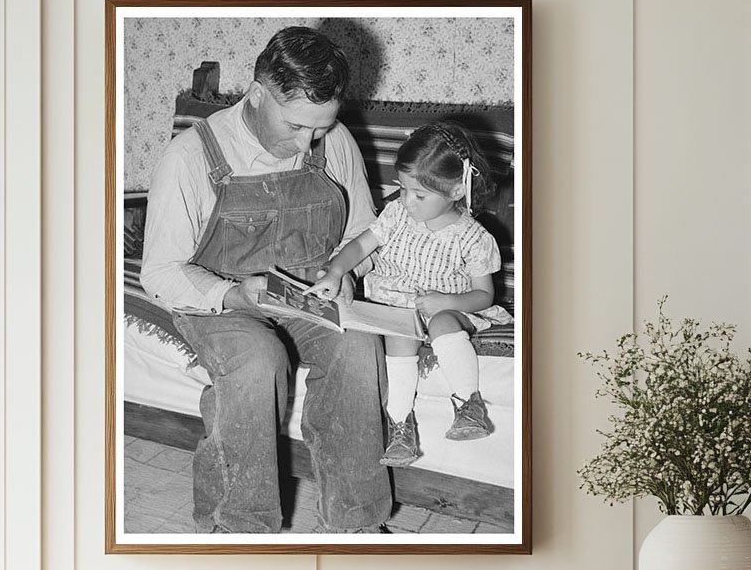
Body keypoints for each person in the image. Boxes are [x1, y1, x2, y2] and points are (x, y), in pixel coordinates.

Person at [140, 27, 392, 533]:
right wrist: (232, 292)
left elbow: (365, 230)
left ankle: (357, 524)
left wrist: (346, 270)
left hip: (308, 291)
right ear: (257, 93)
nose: (307, 143)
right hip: (218, 296)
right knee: (257, 361)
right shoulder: (190, 156)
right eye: (296, 125)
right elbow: (161, 271)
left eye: (319, 129)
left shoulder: (333, 140)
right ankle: (241, 526)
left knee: (359, 348)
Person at [306, 121, 510, 467]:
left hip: (452, 309)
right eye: (402, 189)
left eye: (419, 195)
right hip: (400, 310)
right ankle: (400, 426)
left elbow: (483, 296)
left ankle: (467, 405)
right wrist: (337, 270)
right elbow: (360, 245)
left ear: (457, 191)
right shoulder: (396, 215)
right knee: (400, 336)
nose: (407, 201)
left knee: (444, 322)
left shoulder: (473, 238)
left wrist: (447, 302)